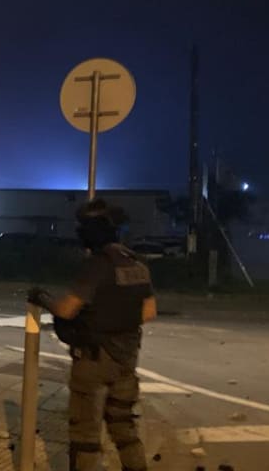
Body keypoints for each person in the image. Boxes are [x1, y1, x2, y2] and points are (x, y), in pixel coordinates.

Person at [32, 199, 157, 471]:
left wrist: (43, 298)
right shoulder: (137, 263)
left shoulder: (97, 265)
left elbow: (66, 309)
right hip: (126, 360)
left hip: (94, 360)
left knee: (85, 433)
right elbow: (149, 311)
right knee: (124, 427)